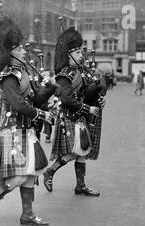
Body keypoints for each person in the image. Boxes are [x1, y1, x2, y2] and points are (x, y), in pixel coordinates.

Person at [0, 17, 52, 226]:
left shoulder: (22, 73)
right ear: (10, 52)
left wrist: (50, 88)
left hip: (25, 129)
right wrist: (42, 115)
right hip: (12, 129)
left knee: (30, 173)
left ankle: (27, 215)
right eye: (19, 47)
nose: (23, 50)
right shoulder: (9, 77)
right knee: (22, 176)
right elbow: (19, 105)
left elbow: (35, 99)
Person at [42, 27, 105, 197]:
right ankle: (50, 171)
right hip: (69, 115)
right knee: (73, 152)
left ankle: (80, 186)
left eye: (80, 52)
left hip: (80, 116)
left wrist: (99, 97)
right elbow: (67, 100)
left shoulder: (81, 71)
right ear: (68, 55)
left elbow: (87, 92)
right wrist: (87, 108)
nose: (80, 56)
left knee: (83, 150)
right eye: (77, 53)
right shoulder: (64, 75)